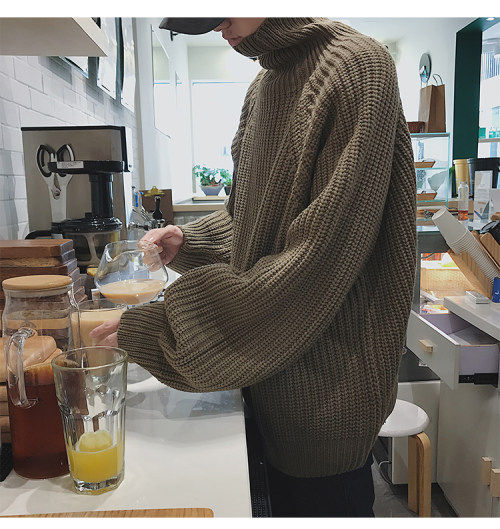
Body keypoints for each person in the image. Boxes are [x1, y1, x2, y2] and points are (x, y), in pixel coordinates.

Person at [92, 17, 416, 517]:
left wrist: (162, 329)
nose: (217, 26)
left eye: (220, 10)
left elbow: (312, 268)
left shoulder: (358, 70)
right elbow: (250, 220)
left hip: (326, 402)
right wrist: (189, 240)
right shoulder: (262, 86)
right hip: (263, 380)